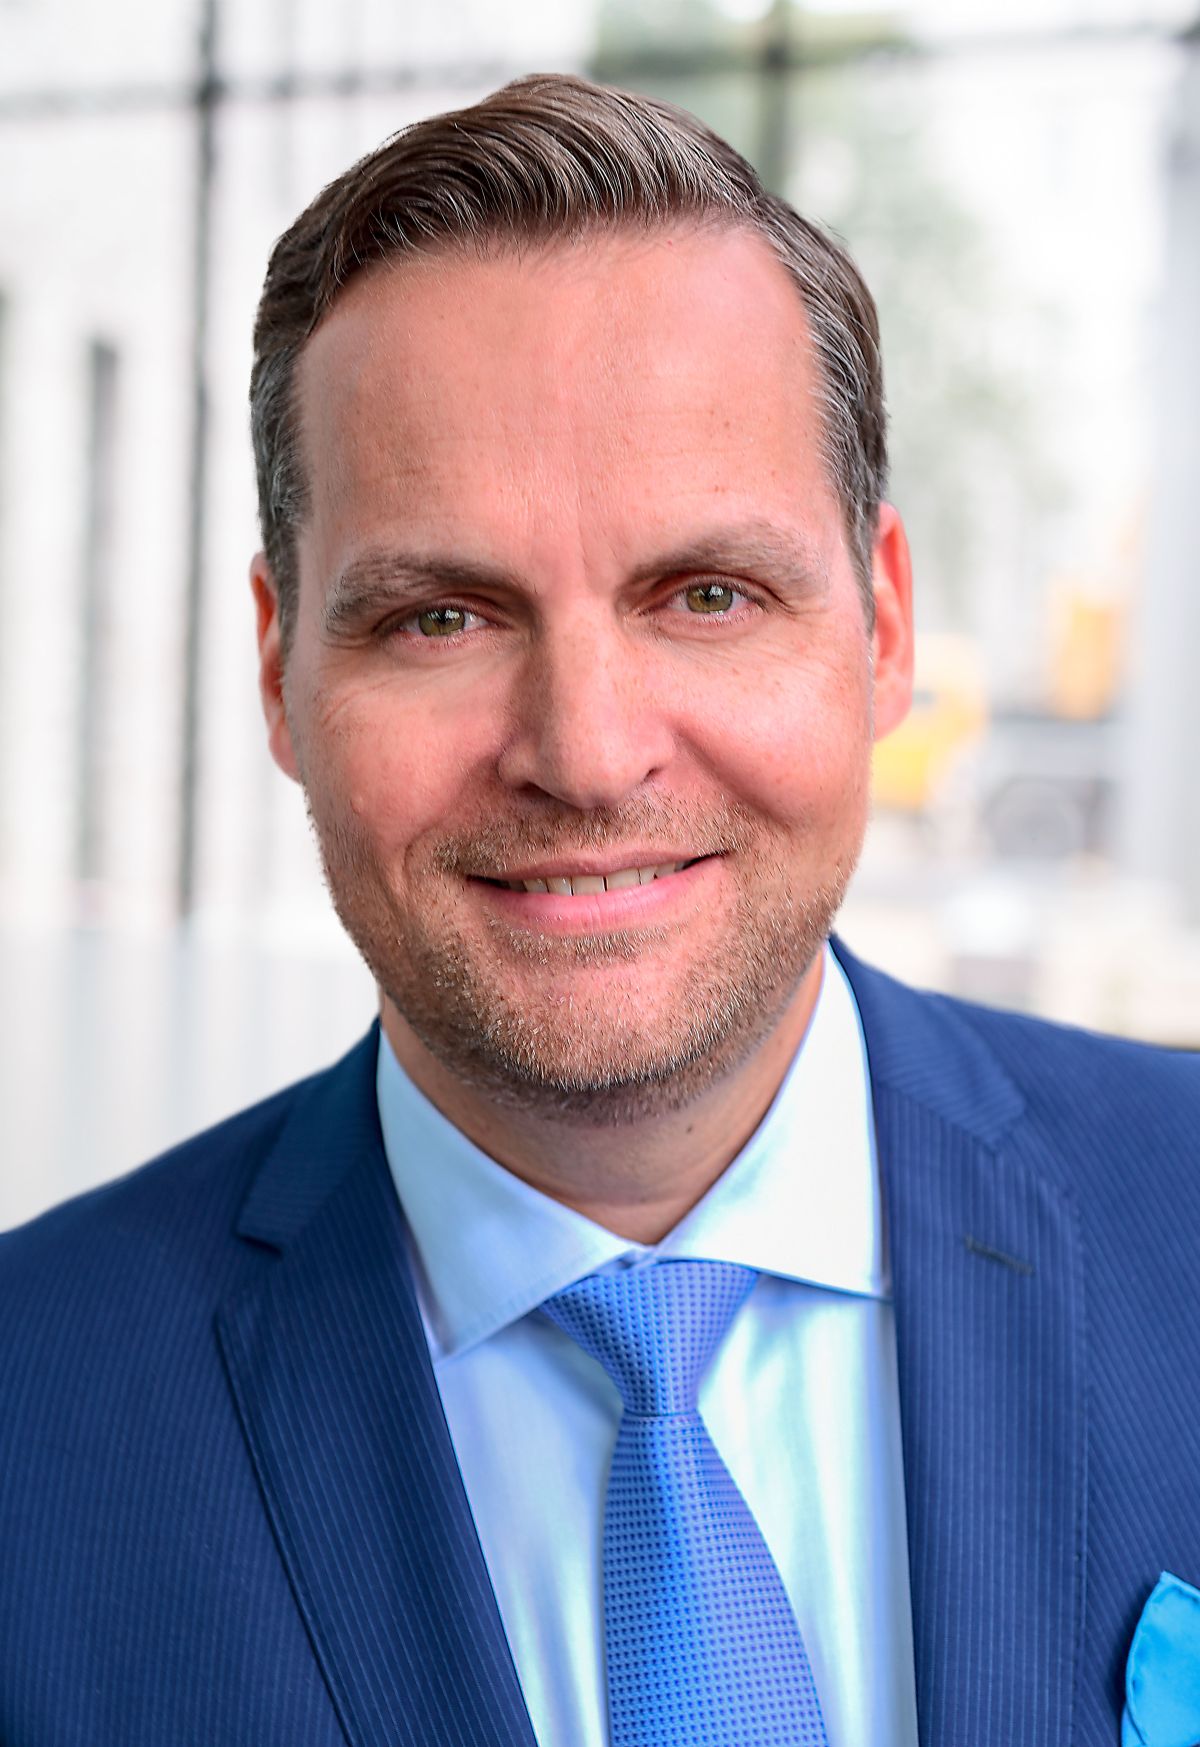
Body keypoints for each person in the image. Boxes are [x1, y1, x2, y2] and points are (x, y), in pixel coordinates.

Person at [2, 72, 1198, 1747]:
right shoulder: (32, 1421)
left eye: (706, 594)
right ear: (278, 672)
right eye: (441, 618)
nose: (585, 751)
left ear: (882, 626)